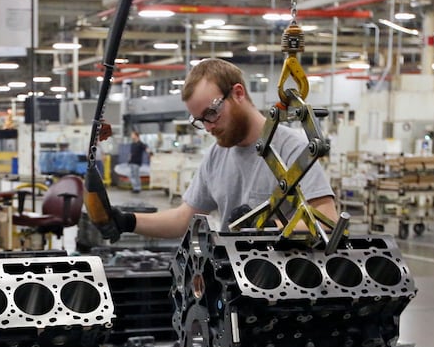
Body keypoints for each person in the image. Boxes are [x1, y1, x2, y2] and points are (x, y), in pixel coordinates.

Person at [99, 58, 338, 240]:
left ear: (238, 93)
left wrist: (268, 229)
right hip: (232, 286)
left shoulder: (290, 147)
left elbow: (327, 219)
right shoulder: (217, 154)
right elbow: (184, 219)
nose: (209, 126)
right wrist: (127, 221)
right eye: (201, 121)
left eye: (212, 113)